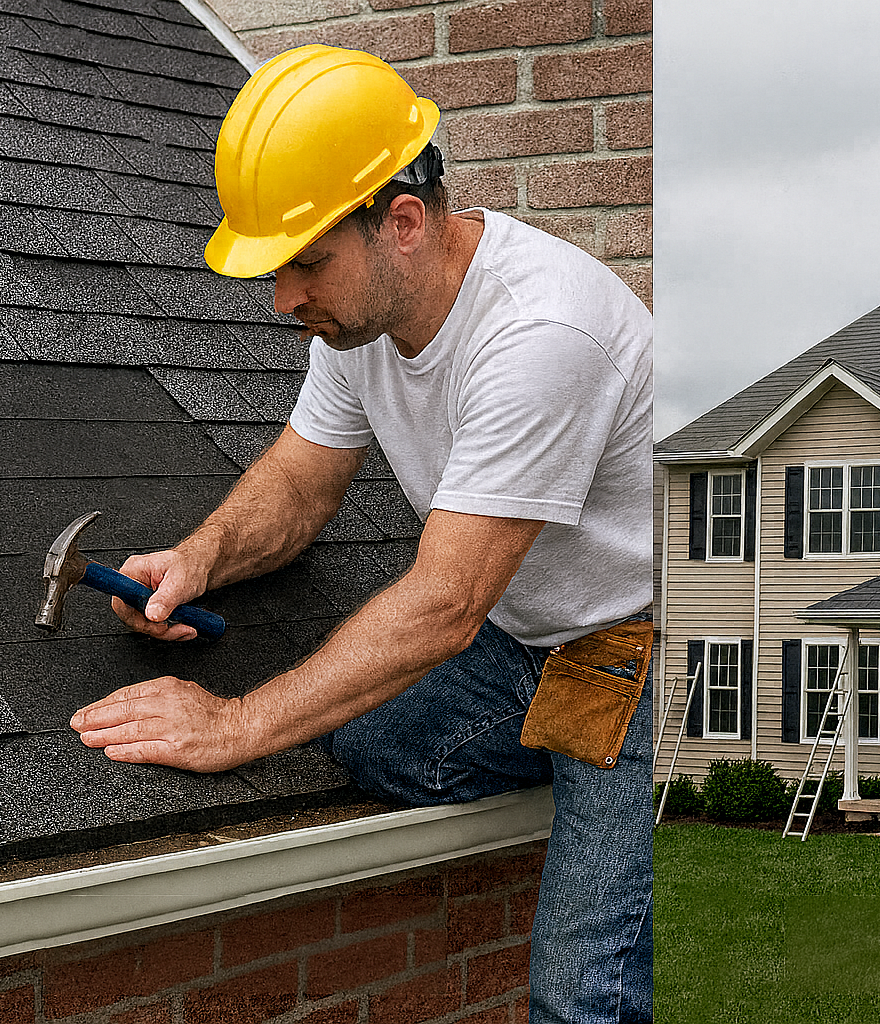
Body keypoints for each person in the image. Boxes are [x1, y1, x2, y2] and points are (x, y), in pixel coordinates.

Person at [67, 46, 653, 1024]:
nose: (285, 299)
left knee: (577, 996)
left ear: (404, 224)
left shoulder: (543, 334)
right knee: (371, 743)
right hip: (528, 642)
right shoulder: (361, 321)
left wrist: (238, 722)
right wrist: (196, 560)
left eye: (306, 262)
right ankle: (592, 795)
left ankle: (629, 816)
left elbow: (444, 606)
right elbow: (301, 481)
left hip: (645, 655)